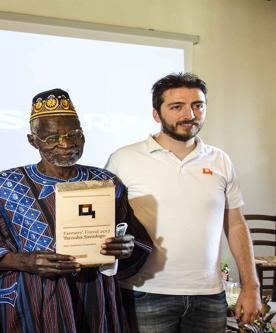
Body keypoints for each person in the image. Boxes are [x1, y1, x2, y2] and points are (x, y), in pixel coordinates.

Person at [0, 88, 152, 333]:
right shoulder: (0, 186)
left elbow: (134, 240)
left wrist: (125, 247)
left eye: (74, 134)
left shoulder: (106, 182)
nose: (66, 143)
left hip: (95, 298)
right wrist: (26, 261)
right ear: (32, 140)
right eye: (52, 137)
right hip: (33, 301)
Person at [105, 73, 261, 332]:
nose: (190, 114)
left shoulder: (220, 160)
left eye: (197, 105)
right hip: (144, 294)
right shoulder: (124, 159)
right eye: (177, 107)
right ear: (156, 114)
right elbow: (105, 222)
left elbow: (235, 225)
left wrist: (251, 285)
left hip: (210, 295)